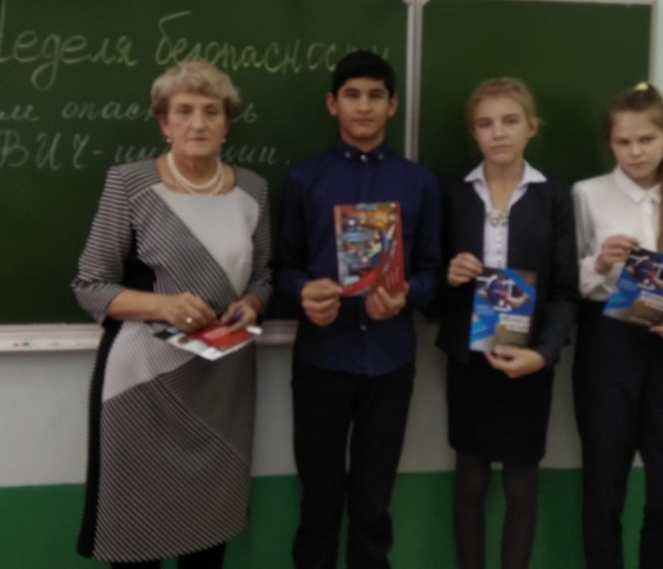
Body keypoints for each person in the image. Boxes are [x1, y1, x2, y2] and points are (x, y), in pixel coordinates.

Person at [72, 60, 271, 569]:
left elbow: (265, 276)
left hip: (223, 384)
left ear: (227, 122)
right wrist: (165, 305)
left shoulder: (253, 189)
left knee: (208, 537)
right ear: (164, 122)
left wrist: (252, 302)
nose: (197, 123)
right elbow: (90, 285)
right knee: (135, 537)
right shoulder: (130, 184)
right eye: (183, 111)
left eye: (211, 111)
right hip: (143, 382)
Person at [277, 49, 442, 569]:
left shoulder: (419, 183)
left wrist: (407, 294)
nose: (363, 106)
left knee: (373, 505)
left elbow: (433, 271)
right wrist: (304, 292)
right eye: (352, 95)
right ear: (333, 104)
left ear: (393, 104)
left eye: (375, 95)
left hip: (390, 362)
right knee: (319, 502)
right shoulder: (304, 180)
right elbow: (283, 266)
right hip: (322, 359)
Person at [435, 77, 578, 569]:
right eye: (485, 123)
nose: (498, 133)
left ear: (532, 127)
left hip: (528, 359)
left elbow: (565, 291)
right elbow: (429, 287)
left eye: (510, 121)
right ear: (473, 133)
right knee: (470, 480)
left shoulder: (555, 198)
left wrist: (543, 354)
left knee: (521, 484)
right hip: (469, 359)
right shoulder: (454, 195)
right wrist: (449, 275)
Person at [571, 82, 663, 569]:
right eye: (623, 141)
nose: (635, 151)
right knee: (604, 492)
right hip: (607, 343)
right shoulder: (587, 194)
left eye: (646, 139)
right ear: (610, 142)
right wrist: (600, 263)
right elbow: (567, 281)